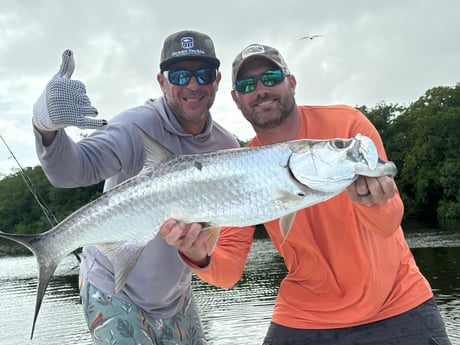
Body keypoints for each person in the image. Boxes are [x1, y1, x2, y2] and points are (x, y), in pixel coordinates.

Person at [159, 44, 452, 344]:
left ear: (292, 82)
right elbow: (227, 273)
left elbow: (388, 223)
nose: (261, 89)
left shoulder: (347, 128)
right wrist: (197, 256)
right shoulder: (239, 168)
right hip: (304, 315)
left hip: (397, 302)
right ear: (236, 98)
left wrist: (375, 201)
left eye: (271, 77)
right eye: (248, 85)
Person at [32, 30, 240, 345]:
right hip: (113, 289)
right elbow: (72, 171)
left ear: (217, 79)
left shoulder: (227, 146)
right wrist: (45, 127)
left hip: (176, 296)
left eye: (203, 73)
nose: (193, 84)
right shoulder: (135, 126)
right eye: (180, 74)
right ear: (162, 81)